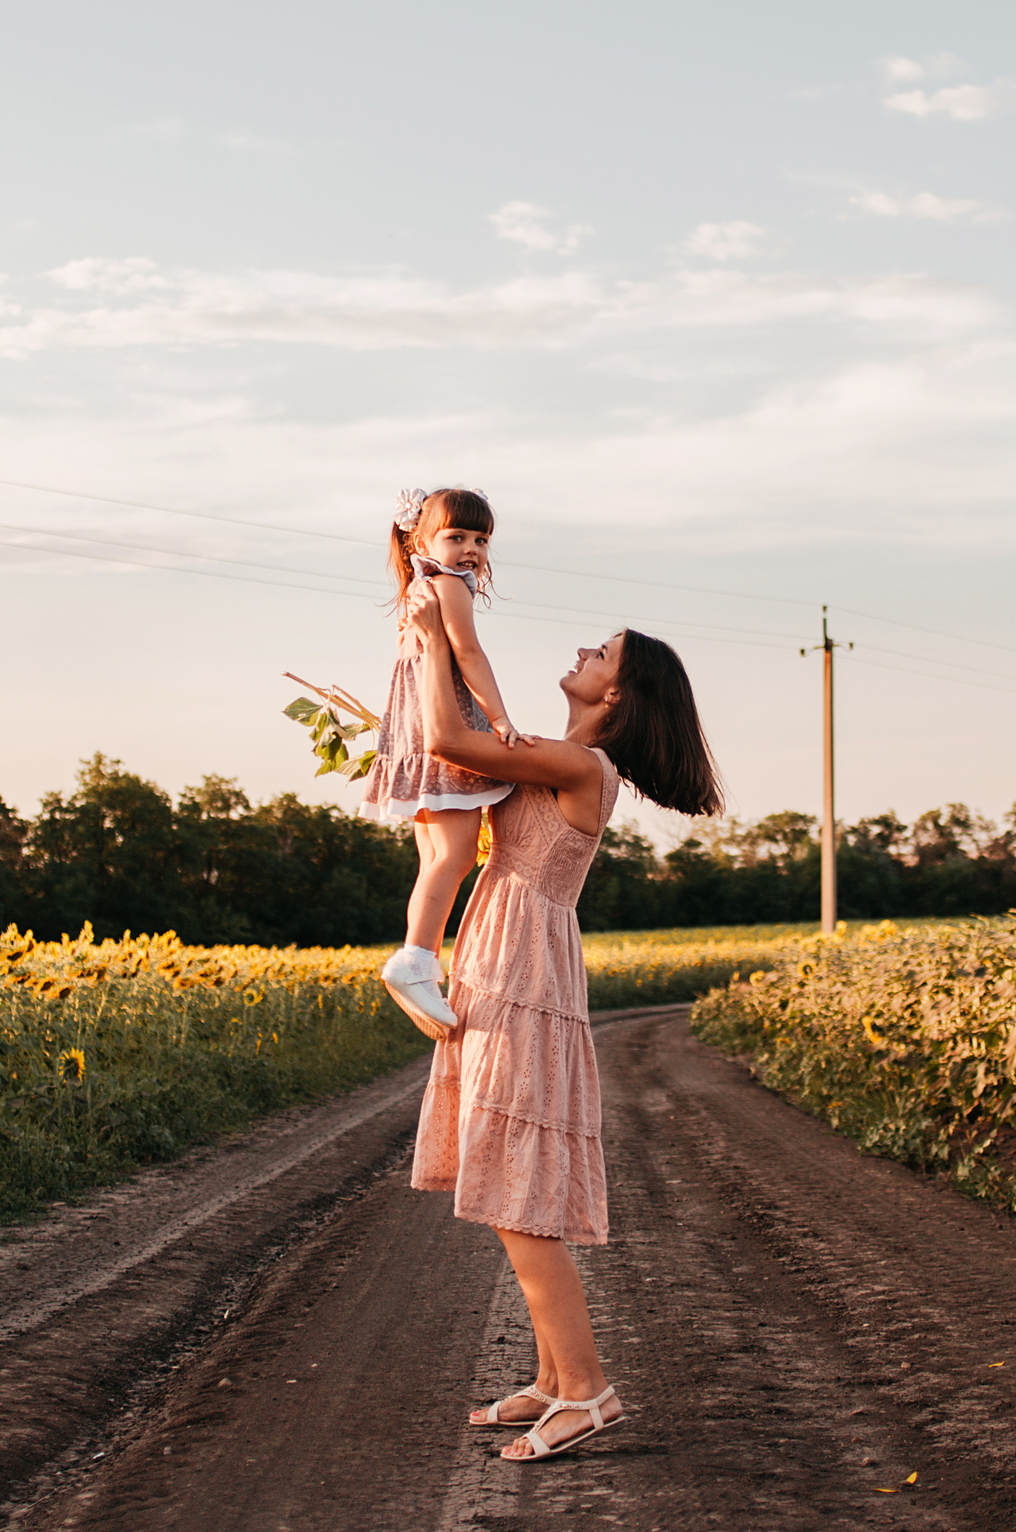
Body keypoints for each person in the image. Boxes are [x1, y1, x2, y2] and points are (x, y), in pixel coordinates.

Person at [402, 589, 723, 1462]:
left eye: (602, 653)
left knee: (517, 1189)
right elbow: (452, 767)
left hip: (522, 966)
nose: (584, 652)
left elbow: (449, 740)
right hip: (499, 950)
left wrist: (435, 633)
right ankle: (550, 1377)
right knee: (509, 1174)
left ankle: (588, 1390)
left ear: (616, 696)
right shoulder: (551, 755)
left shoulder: (586, 768)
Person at [362, 487, 520, 1032]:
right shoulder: (448, 587)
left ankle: (417, 961)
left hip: (411, 738)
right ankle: (415, 961)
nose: (471, 548)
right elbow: (469, 654)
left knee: (434, 860)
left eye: (482, 539)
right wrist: (498, 718)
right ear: (420, 540)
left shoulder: (419, 591)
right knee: (455, 857)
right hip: (445, 732)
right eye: (456, 537)